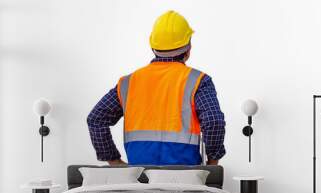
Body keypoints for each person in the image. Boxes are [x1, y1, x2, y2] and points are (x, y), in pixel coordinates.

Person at [87, 10, 225, 166]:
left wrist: (115, 162)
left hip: (138, 178)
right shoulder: (198, 80)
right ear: (188, 48)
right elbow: (214, 121)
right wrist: (213, 164)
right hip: (186, 178)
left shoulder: (128, 82)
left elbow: (96, 119)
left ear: (152, 45)